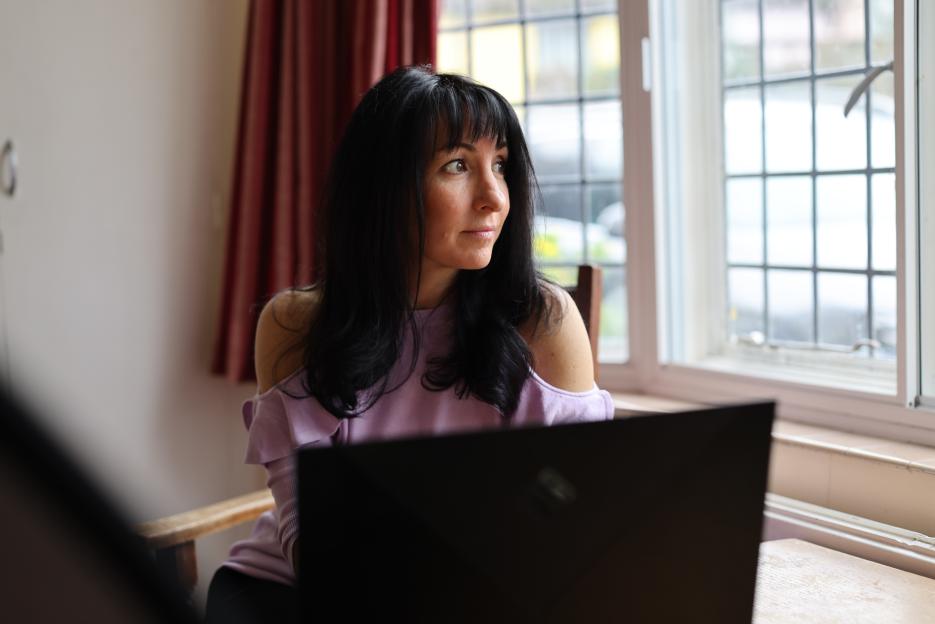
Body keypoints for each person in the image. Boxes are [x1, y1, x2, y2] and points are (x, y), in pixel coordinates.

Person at [204, 65, 614, 622]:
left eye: (500, 165)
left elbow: (577, 508)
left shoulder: (543, 321)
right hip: (300, 591)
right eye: (457, 166)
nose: (495, 198)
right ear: (385, 188)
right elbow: (308, 531)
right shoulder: (295, 324)